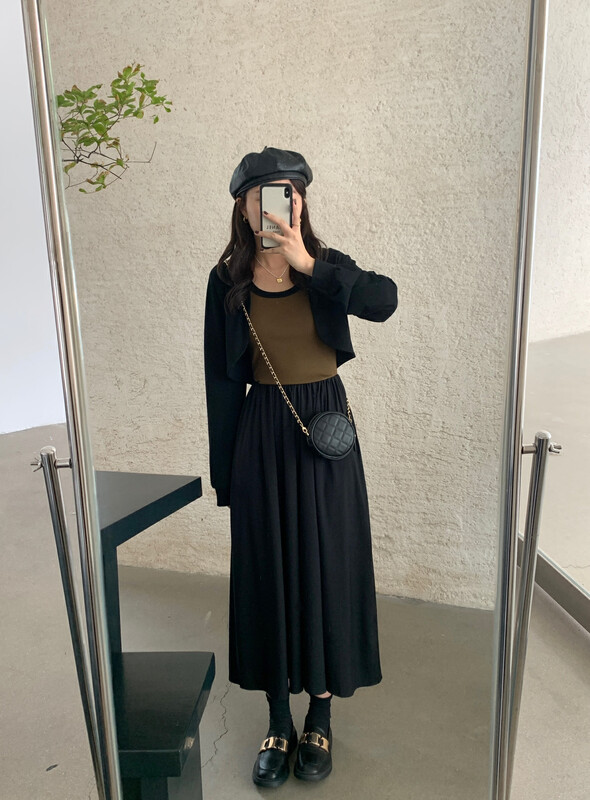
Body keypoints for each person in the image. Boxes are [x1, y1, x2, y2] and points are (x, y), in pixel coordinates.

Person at [203, 146, 398, 787]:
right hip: (261, 434)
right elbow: (221, 385)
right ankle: (278, 721)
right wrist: (226, 476)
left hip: (325, 434)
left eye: (288, 193)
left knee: (326, 567)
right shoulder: (226, 282)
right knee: (269, 571)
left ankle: (321, 715)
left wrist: (310, 266)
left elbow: (385, 301)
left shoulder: (327, 267)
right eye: (262, 195)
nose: (276, 205)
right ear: (243, 207)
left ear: (302, 202)